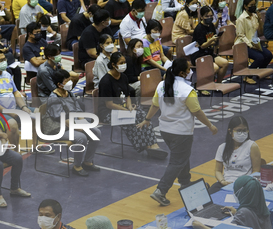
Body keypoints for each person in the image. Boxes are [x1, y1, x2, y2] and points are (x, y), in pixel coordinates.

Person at [137, 58, 218, 206]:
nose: (191, 71)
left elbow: (155, 105)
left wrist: (147, 119)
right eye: (188, 69)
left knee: (182, 156)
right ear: (182, 72)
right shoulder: (188, 91)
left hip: (165, 130)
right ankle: (160, 191)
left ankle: (185, 182)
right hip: (181, 132)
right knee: (177, 161)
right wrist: (210, 125)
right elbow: (197, 111)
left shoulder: (162, 85)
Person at [99, 52, 167, 159]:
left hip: (122, 107)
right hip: (108, 112)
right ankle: (145, 146)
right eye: (121, 63)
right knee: (131, 119)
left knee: (142, 114)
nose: (124, 65)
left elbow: (128, 95)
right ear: (113, 65)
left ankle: (153, 144)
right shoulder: (105, 81)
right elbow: (109, 104)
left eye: (124, 62)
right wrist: (125, 110)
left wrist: (129, 106)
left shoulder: (124, 77)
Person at [194, 175, 273, 229]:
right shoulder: (262, 206)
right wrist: (237, 212)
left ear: (242, 193)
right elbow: (253, 219)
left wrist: (202, 226)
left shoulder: (244, 213)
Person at [42, 69, 102, 176]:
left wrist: (84, 123)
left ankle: (88, 161)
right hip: (58, 128)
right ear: (59, 84)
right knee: (81, 137)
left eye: (69, 80)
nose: (70, 82)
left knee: (96, 132)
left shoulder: (69, 93)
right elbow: (64, 120)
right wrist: (81, 129)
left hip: (71, 124)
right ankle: (77, 166)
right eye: (67, 81)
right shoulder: (53, 98)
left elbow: (78, 111)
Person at [208, 116, 261, 194]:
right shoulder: (222, 147)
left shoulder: (252, 146)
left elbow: (256, 171)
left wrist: (244, 183)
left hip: (244, 184)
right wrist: (222, 181)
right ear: (230, 131)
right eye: (238, 130)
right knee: (209, 196)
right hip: (225, 183)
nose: (242, 133)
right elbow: (218, 170)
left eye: (244, 130)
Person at [235, 0, 272, 83]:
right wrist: (250, 45)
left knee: (269, 55)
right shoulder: (241, 19)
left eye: (254, 5)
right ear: (245, 6)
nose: (253, 6)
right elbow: (241, 35)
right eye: (251, 5)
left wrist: (260, 20)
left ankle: (261, 72)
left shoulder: (255, 16)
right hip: (243, 45)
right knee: (260, 57)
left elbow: (260, 32)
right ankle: (248, 76)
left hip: (254, 43)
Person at [192, 6, 229, 82]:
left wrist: (215, 40)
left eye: (211, 16)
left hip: (209, 53)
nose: (209, 18)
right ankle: (202, 86)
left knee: (225, 63)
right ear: (201, 17)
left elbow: (213, 41)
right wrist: (211, 40)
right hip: (199, 55)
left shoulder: (211, 25)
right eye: (206, 16)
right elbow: (202, 46)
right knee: (215, 68)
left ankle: (218, 84)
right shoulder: (199, 29)